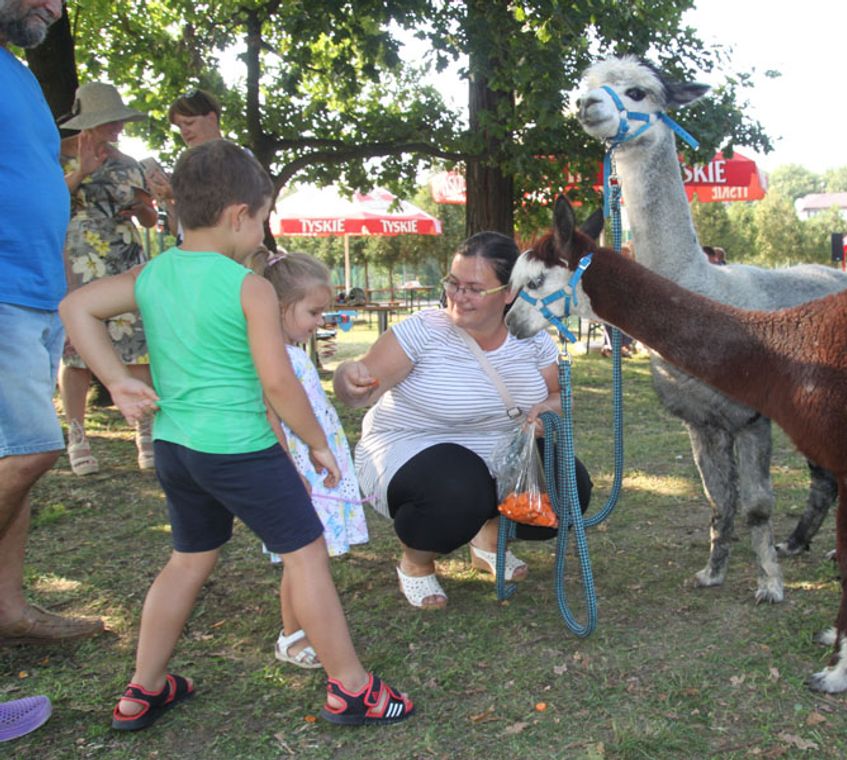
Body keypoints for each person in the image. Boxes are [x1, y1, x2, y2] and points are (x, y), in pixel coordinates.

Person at [59, 140, 412, 729]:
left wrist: (117, 379)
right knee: (307, 557)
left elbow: (76, 307)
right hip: (241, 450)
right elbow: (277, 382)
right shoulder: (247, 287)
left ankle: (143, 689)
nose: (263, 231)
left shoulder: (155, 274)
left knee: (187, 561)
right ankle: (352, 688)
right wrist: (317, 442)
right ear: (239, 216)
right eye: (264, 216)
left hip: (177, 450)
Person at [333, 232, 593, 610]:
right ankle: (416, 563)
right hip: (410, 450)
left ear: (509, 293)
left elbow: (559, 396)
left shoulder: (533, 339)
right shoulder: (423, 331)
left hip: (501, 456)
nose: (457, 295)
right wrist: (347, 377)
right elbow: (358, 389)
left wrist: (547, 411)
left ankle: (488, 540)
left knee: (572, 487)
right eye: (453, 283)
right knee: (460, 485)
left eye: (473, 288)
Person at [0, 0, 105, 645]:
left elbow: (39, 186)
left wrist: (66, 297)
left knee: (13, 455)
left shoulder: (20, 75)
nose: (56, 7)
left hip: (36, 295)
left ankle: (8, 608)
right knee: (33, 451)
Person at [254, 249, 369, 670]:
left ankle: (303, 628)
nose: (320, 321)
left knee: (308, 557)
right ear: (281, 308)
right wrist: (289, 470)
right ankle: (292, 634)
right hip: (299, 470)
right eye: (314, 312)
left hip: (313, 467)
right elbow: (271, 415)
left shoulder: (292, 353)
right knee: (301, 557)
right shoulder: (274, 360)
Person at [57, 82, 158, 475]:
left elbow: (151, 217)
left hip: (125, 255)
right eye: (110, 120)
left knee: (137, 344)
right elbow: (48, 201)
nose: (117, 127)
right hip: (81, 258)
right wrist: (82, 171)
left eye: (118, 120)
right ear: (90, 122)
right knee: (76, 350)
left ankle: (144, 430)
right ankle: (77, 434)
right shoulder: (59, 157)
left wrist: (140, 207)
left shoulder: (129, 162)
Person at [143, 88, 223, 239]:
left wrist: (177, 193)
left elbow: (226, 207)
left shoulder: (239, 159)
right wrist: (165, 199)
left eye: (189, 123)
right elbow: (180, 234)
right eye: (180, 126)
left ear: (212, 119)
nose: (184, 131)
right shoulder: (186, 166)